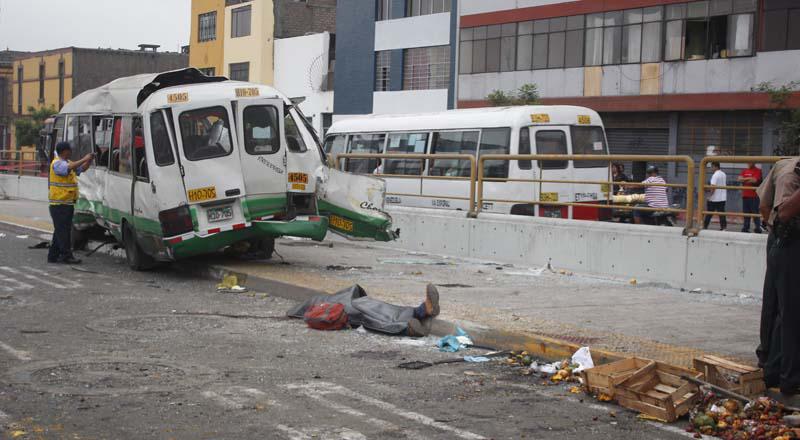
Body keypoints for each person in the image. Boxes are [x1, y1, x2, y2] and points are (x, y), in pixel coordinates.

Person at [756, 157, 800, 404]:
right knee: (789, 313)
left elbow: (765, 206)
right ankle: (788, 380)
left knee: (778, 309)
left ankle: (771, 369)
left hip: (780, 240)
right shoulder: (792, 173)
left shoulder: (784, 165)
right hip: (788, 241)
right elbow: (782, 212)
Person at [288, 284, 440, 337]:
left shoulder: (312, 304)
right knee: (364, 311)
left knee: (368, 306)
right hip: (341, 308)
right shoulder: (309, 307)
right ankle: (408, 325)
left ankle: (420, 312)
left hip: (342, 302)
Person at [47, 142, 93, 264]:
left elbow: (81, 169)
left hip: (66, 203)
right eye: (69, 150)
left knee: (60, 231)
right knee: (64, 232)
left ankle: (53, 256)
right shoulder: (57, 164)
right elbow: (68, 168)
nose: (71, 152)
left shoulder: (68, 163)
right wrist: (84, 158)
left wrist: (88, 161)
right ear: (64, 151)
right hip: (59, 204)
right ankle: (66, 255)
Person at [739, 162, 763, 233]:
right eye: (748, 162)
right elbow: (739, 179)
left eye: (750, 162)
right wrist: (749, 178)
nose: (748, 163)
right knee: (746, 213)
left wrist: (745, 179)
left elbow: (755, 180)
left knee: (755, 212)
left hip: (754, 196)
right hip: (745, 195)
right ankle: (746, 227)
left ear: (753, 163)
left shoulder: (758, 170)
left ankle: (757, 228)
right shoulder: (744, 171)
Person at [704, 162, 728, 230]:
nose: (711, 168)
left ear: (715, 167)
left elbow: (713, 187)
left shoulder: (715, 175)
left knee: (709, 213)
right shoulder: (723, 174)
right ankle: (723, 227)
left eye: (712, 167)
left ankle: (705, 226)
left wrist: (709, 196)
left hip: (714, 198)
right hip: (722, 197)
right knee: (721, 213)